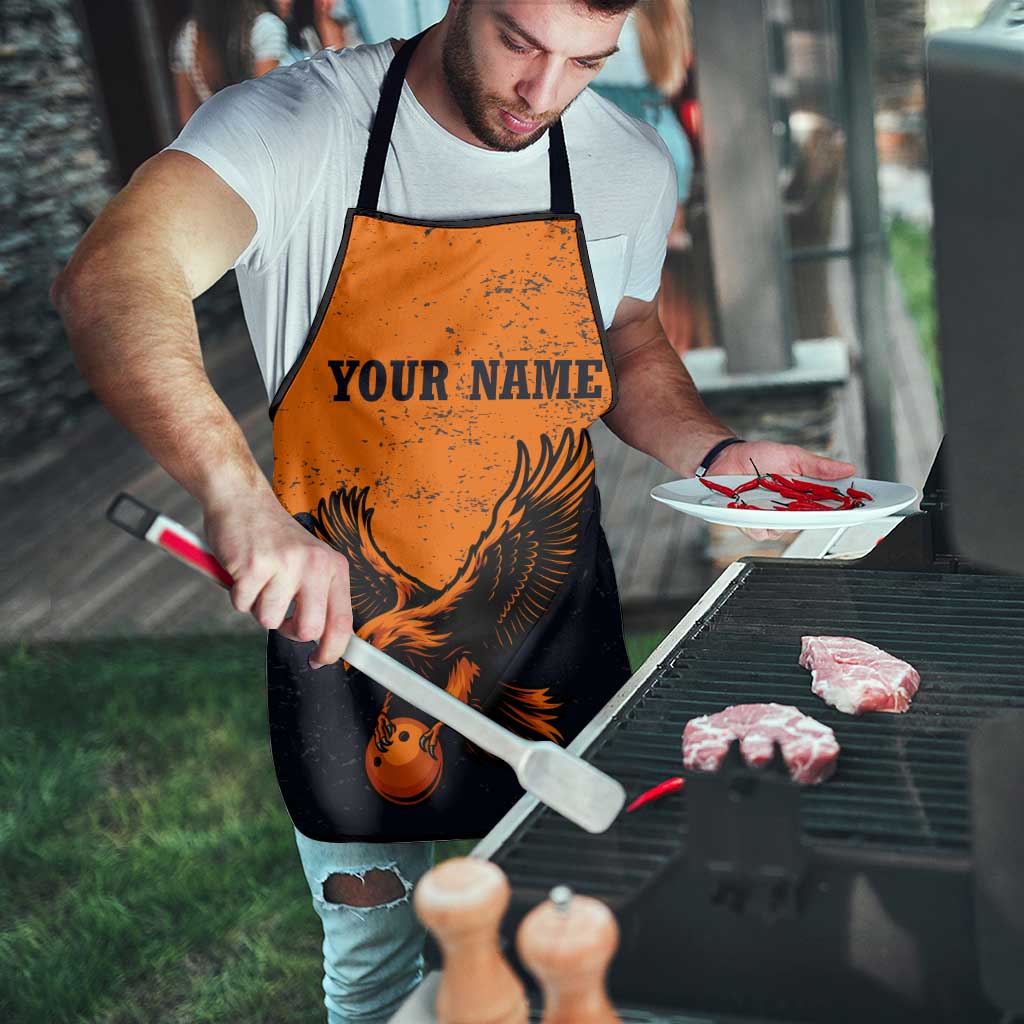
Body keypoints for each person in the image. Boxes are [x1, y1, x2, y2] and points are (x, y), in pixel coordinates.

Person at [53, 2, 855, 1020]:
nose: (543, 93)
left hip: (552, 629)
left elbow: (625, 338)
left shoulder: (624, 161)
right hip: (354, 645)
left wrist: (715, 450)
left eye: (586, 62)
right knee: (376, 972)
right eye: (520, 42)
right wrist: (238, 497)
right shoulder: (297, 127)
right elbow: (114, 275)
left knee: (594, 945)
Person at [170, 0, 289, 126]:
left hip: (216, 134)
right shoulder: (265, 27)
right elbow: (266, 107)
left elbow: (188, 120)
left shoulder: (188, 37)